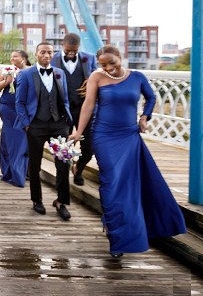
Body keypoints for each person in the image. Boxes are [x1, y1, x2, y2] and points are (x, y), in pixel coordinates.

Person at [69, 45, 186, 257]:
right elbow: (87, 106)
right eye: (104, 65)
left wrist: (145, 116)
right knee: (112, 183)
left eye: (112, 63)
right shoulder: (97, 77)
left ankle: (122, 229)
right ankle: (116, 232)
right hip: (104, 136)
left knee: (130, 185)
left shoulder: (138, 77)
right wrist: (78, 132)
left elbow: (151, 98)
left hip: (129, 136)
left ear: (120, 57)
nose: (109, 69)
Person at [14, 41, 73, 220]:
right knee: (35, 164)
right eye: (43, 52)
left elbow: (65, 99)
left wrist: (67, 121)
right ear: (36, 53)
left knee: (63, 163)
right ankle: (36, 200)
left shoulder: (59, 73)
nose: (47, 56)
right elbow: (20, 102)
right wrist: (27, 124)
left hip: (59, 124)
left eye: (50, 53)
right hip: (36, 124)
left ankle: (62, 201)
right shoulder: (25, 74)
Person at [51, 32, 99, 186]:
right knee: (62, 146)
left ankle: (79, 169)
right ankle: (63, 179)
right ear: (62, 46)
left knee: (89, 147)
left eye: (74, 51)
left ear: (79, 47)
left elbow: (97, 79)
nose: (71, 54)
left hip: (84, 108)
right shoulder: (52, 59)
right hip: (62, 110)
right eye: (68, 51)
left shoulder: (89, 58)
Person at [0, 49, 30, 187]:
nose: (12, 59)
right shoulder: (6, 70)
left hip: (24, 110)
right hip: (8, 109)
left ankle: (17, 172)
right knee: (10, 139)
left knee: (19, 141)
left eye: (15, 56)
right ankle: (11, 173)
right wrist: (6, 81)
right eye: (11, 57)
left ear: (24, 59)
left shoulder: (30, 71)